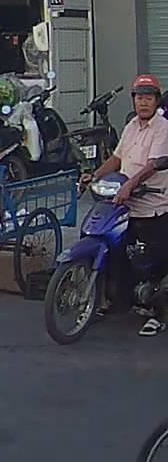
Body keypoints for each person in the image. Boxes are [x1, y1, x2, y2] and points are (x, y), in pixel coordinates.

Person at [82, 74, 168, 336]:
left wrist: (130, 184)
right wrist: (95, 174)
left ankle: (159, 314)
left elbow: (152, 165)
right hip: (126, 203)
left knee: (154, 263)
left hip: (154, 204)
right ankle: (116, 299)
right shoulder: (131, 126)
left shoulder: (162, 127)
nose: (143, 102)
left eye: (149, 98)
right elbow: (117, 158)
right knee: (117, 251)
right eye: (139, 97)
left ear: (156, 100)